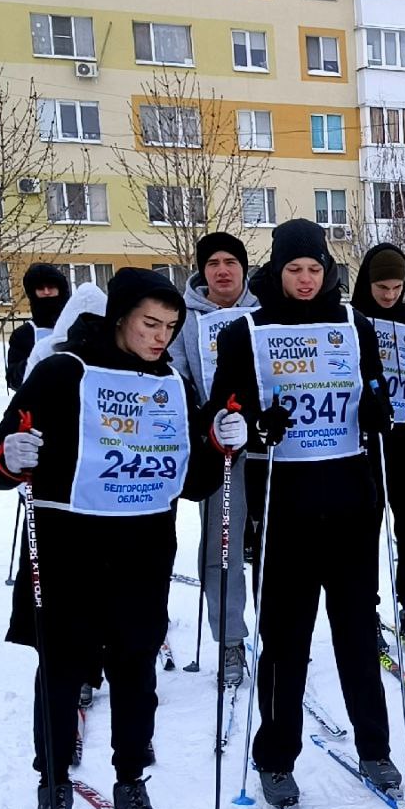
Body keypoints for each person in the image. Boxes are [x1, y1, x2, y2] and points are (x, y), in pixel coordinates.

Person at [0, 269, 235, 809]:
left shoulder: (172, 383)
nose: (161, 337)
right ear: (119, 318)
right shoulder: (63, 372)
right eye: (149, 323)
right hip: (70, 552)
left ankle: (131, 780)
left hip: (142, 555)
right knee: (62, 672)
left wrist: (220, 445)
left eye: (170, 327)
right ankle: (53, 784)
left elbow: (192, 481)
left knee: (136, 673)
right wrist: (9, 457)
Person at [207, 219, 400, 806]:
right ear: (277, 271)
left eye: (315, 268)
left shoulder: (353, 324)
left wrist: (377, 411)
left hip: (349, 503)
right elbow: (222, 412)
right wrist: (251, 425)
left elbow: (374, 389)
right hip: (284, 506)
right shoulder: (246, 331)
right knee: (285, 639)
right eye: (295, 269)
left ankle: (375, 748)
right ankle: (275, 757)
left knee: (357, 634)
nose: (306, 279)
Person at [171, 232, 256, 686]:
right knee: (222, 548)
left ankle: (282, 631)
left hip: (269, 445)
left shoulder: (264, 310)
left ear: (243, 268)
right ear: (202, 271)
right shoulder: (186, 318)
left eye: (230, 262)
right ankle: (229, 639)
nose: (222, 270)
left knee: (277, 546)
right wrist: (206, 423)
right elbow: (177, 379)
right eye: (213, 263)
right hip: (218, 447)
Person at [350, 244, 405, 652]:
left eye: (397, 287)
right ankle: (366, 608)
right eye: (382, 287)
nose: (389, 294)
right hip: (366, 441)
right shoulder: (353, 318)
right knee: (365, 531)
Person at [7, 265, 70, 391]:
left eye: (51, 287)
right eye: (40, 288)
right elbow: (13, 380)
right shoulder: (23, 335)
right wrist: (35, 360)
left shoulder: (78, 327)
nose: (46, 292)